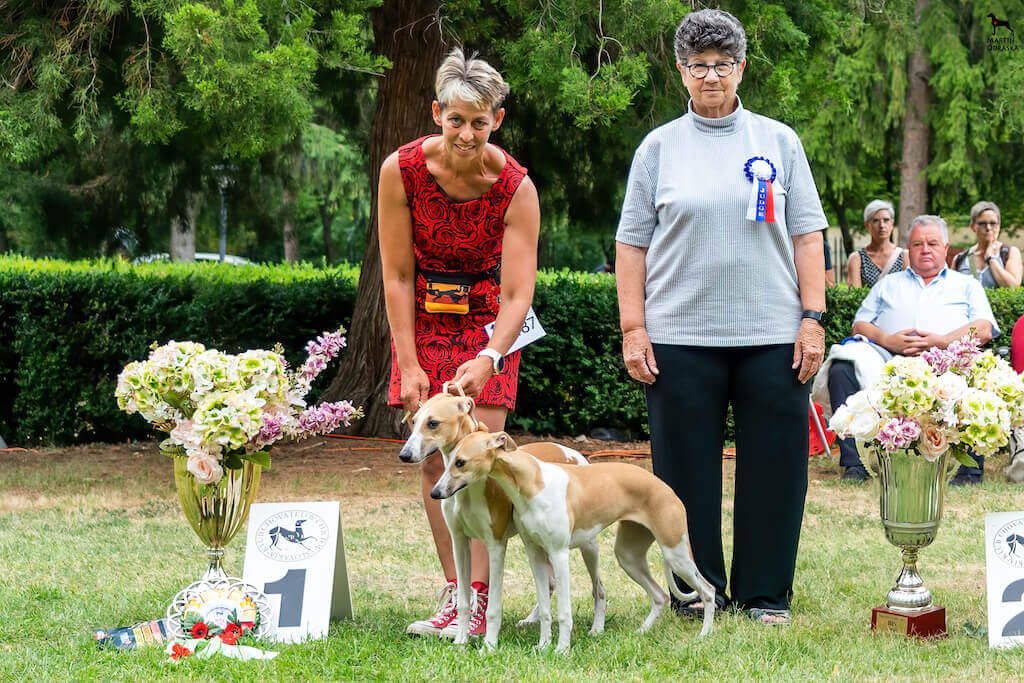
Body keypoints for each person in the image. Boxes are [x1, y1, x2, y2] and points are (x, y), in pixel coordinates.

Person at [615, 9, 827, 627]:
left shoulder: (779, 142)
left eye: (723, 64)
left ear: (741, 68)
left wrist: (813, 317)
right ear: (681, 71)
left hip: (773, 337)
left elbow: (807, 235)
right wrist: (634, 327)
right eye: (699, 65)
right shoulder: (657, 147)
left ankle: (765, 595)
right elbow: (632, 244)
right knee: (683, 479)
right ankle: (694, 590)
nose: (712, 75)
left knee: (774, 473)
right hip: (680, 339)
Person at [378, 48, 541, 638]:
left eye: (479, 121)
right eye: (455, 120)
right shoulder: (401, 170)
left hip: (489, 329)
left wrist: (490, 356)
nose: (467, 133)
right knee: (431, 466)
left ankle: (482, 599)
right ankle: (454, 593)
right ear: (436, 114)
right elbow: (395, 274)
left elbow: (518, 294)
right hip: (423, 320)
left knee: (479, 464)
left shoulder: (517, 187)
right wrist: (407, 358)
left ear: (497, 118)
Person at [825, 215, 998, 485]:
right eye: (918, 244)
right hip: (888, 361)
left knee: (978, 368)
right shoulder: (888, 284)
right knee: (842, 368)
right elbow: (859, 326)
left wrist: (940, 341)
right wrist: (887, 339)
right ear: (909, 249)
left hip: (947, 362)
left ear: (946, 247)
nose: (925, 249)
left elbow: (984, 329)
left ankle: (969, 471)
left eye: (932, 243)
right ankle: (855, 466)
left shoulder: (967, 285)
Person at [952, 200, 1022, 289]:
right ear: (972, 227)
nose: (988, 228)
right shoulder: (960, 259)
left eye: (993, 223)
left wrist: (991, 259)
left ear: (998, 226)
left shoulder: (1009, 253)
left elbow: (1013, 289)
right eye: (982, 224)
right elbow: (952, 293)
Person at [845, 199, 907, 287]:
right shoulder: (857, 259)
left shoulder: (904, 256)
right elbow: (855, 296)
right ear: (867, 225)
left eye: (886, 220)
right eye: (876, 221)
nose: (882, 226)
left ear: (892, 223)